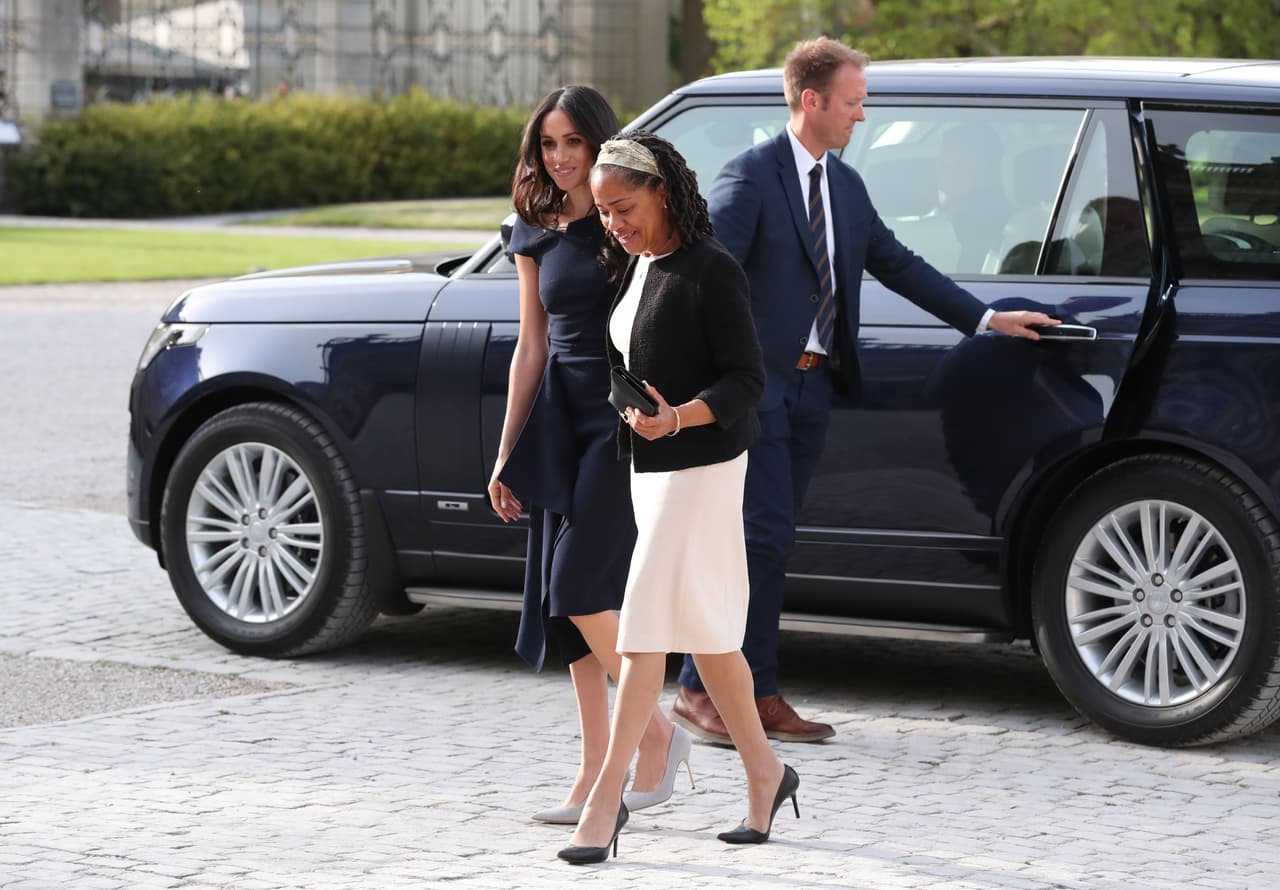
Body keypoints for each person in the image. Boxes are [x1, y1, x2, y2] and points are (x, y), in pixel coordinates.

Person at [672, 37, 1060, 745]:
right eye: (853, 103)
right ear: (811, 100)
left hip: (813, 390)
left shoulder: (844, 185)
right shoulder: (752, 175)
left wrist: (985, 317)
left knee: (770, 540)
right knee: (757, 538)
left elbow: (897, 262)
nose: (862, 117)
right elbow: (707, 276)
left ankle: (735, 689)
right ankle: (720, 691)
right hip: (756, 391)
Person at [557, 132, 798, 865]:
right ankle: (767, 774)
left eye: (623, 207)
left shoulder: (711, 270)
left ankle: (605, 802)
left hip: (702, 468)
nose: (614, 224)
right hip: (650, 471)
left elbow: (746, 382)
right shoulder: (639, 265)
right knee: (712, 637)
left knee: (645, 631)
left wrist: (678, 417)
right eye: (602, 213)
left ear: (662, 192)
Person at [488, 87, 691, 827]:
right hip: (556, 423)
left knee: (578, 584)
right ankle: (593, 767)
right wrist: (507, 451)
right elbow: (530, 345)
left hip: (620, 418)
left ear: (600, 143)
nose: (562, 157)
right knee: (567, 608)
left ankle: (659, 739)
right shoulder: (530, 228)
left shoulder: (626, 222)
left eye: (574, 141)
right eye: (549, 144)